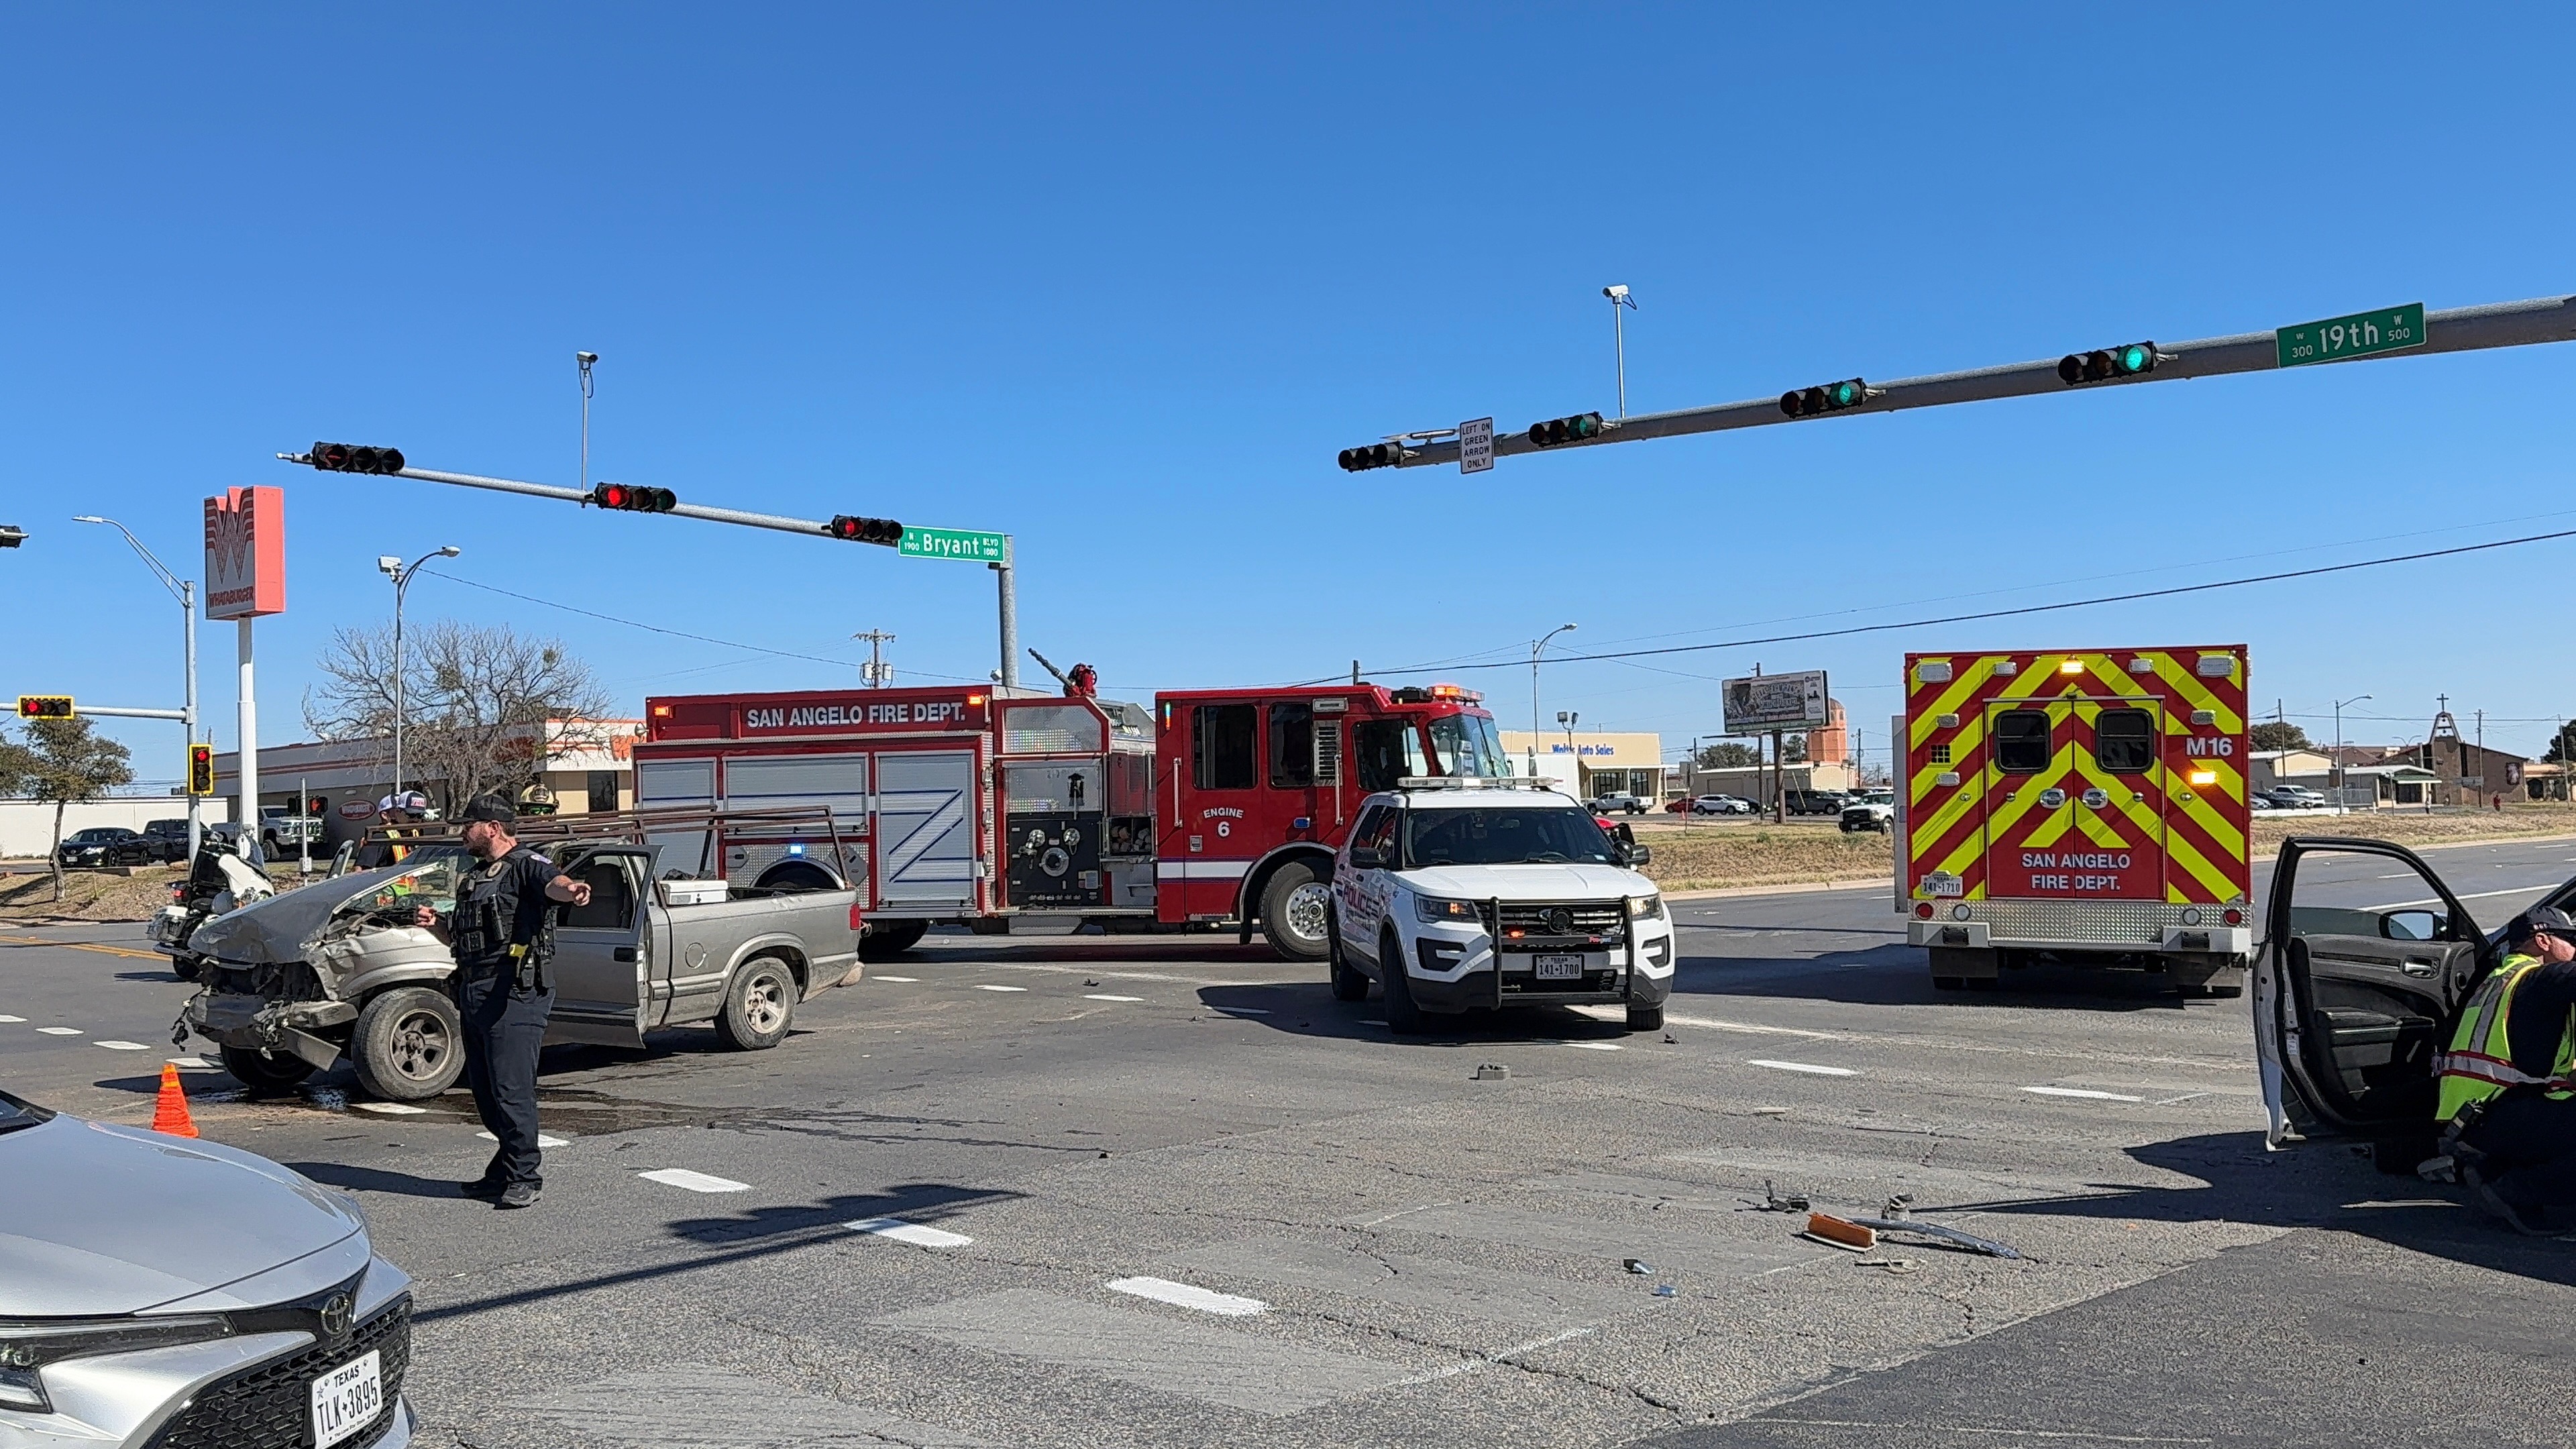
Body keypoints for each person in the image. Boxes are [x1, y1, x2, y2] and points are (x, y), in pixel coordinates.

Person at [413, 794, 590, 1209]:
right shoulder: (477, 877)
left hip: (515, 993)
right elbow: (463, 936)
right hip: (476, 991)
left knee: (512, 1089)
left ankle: (525, 1175)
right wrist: (436, 924)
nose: (462, 832)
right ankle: (504, 1170)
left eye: (468, 825)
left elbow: (555, 883)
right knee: (485, 1091)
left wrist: (573, 891)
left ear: (492, 828)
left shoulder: (527, 864)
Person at [2435, 906, 2576, 1234]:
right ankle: (2516, 1191)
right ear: (2543, 941)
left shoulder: (2495, 980)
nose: (2574, 948)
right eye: (2569, 940)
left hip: (2473, 1117)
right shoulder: (2540, 979)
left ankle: (2495, 1169)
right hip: (2500, 1113)